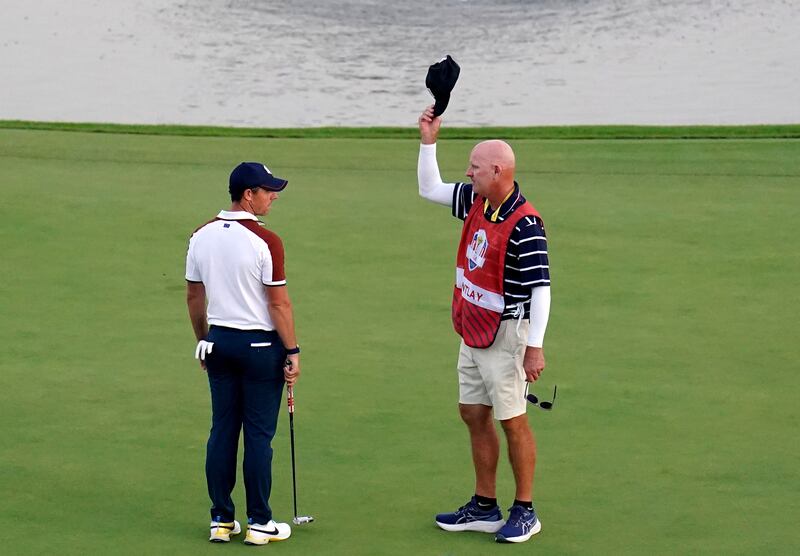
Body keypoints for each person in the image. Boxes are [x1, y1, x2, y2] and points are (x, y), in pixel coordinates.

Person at [417, 105, 552, 544]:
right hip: (473, 330)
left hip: (508, 335)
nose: (468, 172)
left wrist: (535, 346)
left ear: (498, 170)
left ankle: (525, 511)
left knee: (513, 420)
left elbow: (541, 290)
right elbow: (429, 188)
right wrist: (428, 139)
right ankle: (484, 505)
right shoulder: (478, 201)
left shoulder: (524, 222)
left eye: (474, 167)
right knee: (474, 413)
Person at [185, 162, 301, 545]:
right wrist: (293, 350)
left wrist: (205, 340)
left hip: (218, 343)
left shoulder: (200, 235)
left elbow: (194, 296)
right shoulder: (267, 241)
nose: (274, 196)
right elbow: (279, 305)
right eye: (268, 190)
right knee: (257, 435)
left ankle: (220, 520)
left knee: (222, 430)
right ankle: (260, 523)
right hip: (259, 348)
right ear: (247, 195)